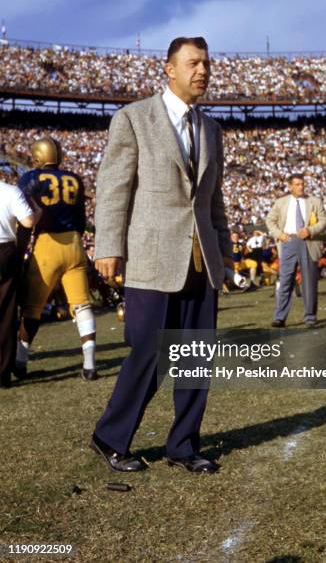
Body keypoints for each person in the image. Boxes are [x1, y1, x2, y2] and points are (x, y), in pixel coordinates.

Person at [91, 36, 232, 474]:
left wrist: (223, 254)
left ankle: (184, 445)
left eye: (206, 63)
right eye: (193, 63)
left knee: (195, 355)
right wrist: (109, 246)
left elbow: (213, 201)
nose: (203, 70)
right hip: (151, 257)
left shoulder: (212, 129)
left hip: (200, 258)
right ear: (169, 69)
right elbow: (114, 188)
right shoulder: (133, 119)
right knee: (149, 351)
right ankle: (110, 436)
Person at [16, 137, 98, 381]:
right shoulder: (74, 178)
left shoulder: (31, 178)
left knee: (32, 308)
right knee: (82, 304)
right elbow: (82, 219)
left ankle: (20, 362)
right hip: (74, 243)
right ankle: (90, 364)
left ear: (38, 156)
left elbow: (25, 215)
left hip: (47, 245)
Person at [266, 174, 326, 327]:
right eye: (297, 184)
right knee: (285, 280)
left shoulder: (314, 201)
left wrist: (310, 230)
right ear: (290, 186)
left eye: (302, 184)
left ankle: (310, 317)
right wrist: (279, 234)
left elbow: (324, 220)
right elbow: (269, 220)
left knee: (309, 281)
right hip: (288, 242)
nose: (301, 187)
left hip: (308, 242)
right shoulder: (281, 202)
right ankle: (280, 317)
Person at [0, 180, 38, 387]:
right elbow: (28, 221)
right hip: (4, 250)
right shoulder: (10, 191)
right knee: (6, 314)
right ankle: (3, 373)